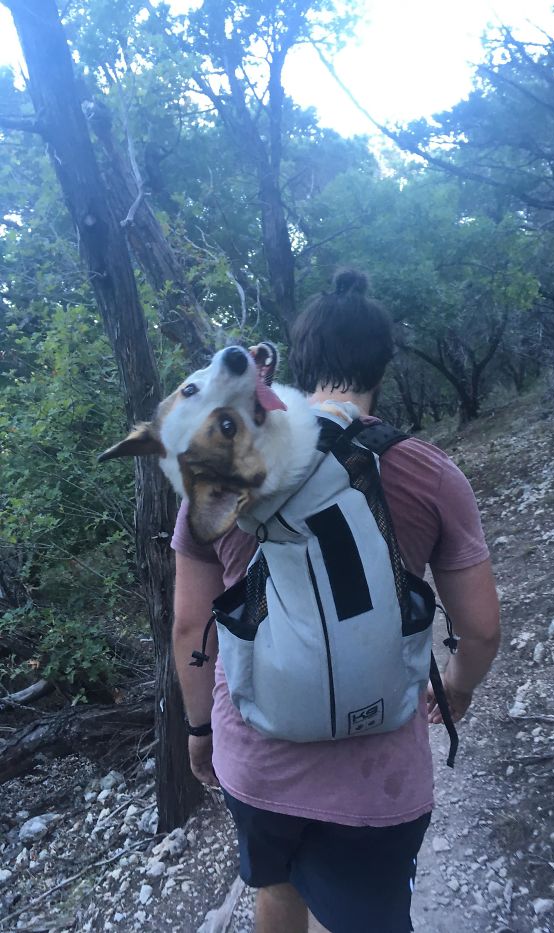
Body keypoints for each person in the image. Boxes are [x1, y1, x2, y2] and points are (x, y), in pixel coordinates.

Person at [171, 270, 500, 933]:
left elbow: (188, 623)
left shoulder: (227, 469)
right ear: (382, 363)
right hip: (378, 778)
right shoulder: (433, 473)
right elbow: (482, 627)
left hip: (257, 758)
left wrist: (201, 729)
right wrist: (458, 686)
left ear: (303, 362)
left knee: (277, 886)